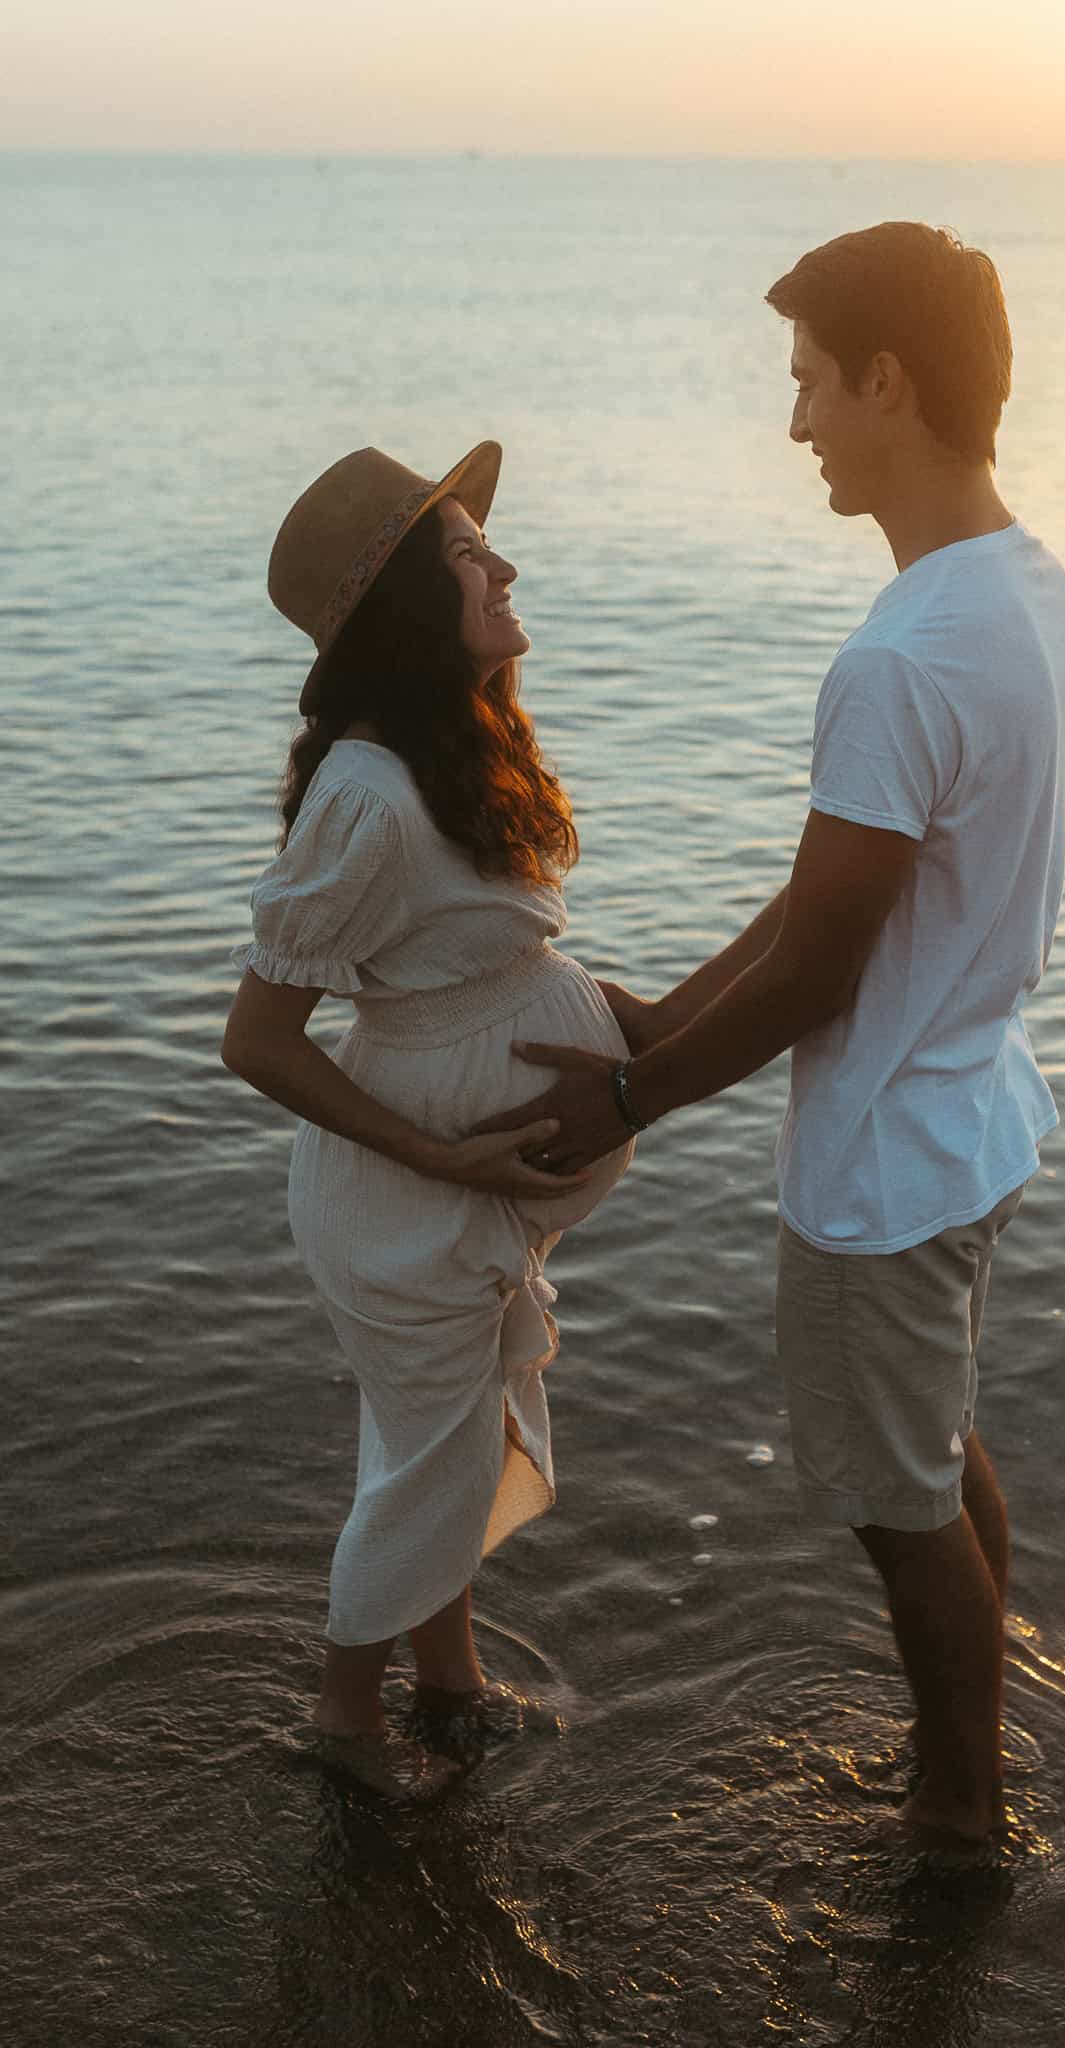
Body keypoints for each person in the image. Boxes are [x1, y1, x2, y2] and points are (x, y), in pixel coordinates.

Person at [487, 224, 1065, 1862]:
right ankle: (962, 1755)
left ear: (885, 381)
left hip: (883, 1164)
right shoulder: (1026, 594)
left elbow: (826, 959)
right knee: (938, 1453)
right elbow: (840, 898)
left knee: (899, 1508)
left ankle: (960, 1819)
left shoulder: (899, 655)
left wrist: (629, 1094)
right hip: (974, 1118)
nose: (797, 426)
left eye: (809, 385)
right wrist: (663, 1016)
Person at [222, 442, 633, 1799]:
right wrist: (439, 1154)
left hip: (454, 1195)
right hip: (404, 1198)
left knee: (438, 1447)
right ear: (407, 602)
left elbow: (499, 969)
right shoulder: (366, 797)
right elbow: (258, 1038)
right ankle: (344, 1725)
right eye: (467, 554)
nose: (504, 564)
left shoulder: (449, 749)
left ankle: (447, 1687)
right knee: (426, 1469)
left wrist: (699, 1021)